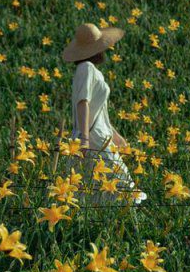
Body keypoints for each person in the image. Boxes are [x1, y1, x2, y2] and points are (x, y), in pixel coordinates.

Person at [62, 23, 147, 205]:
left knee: (92, 188)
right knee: (119, 183)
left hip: (98, 135)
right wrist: (84, 139)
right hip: (93, 138)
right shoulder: (86, 68)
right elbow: (82, 103)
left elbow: (98, 111)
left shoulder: (88, 70)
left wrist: (116, 136)